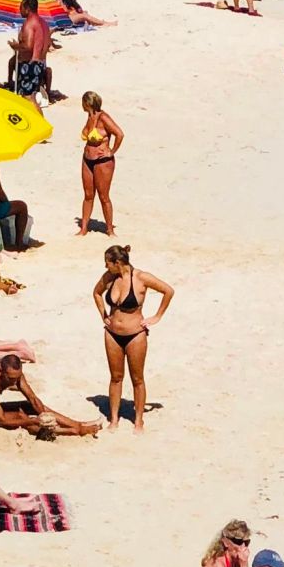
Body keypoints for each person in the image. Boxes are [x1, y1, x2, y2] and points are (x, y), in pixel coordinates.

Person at [94, 244, 174, 431]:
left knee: (137, 378)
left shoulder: (141, 278)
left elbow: (168, 291)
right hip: (112, 334)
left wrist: (157, 317)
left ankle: (139, 420)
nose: (106, 268)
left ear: (118, 262)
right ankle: (114, 419)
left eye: (108, 264)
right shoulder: (109, 278)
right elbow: (96, 293)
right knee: (115, 377)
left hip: (135, 335)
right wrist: (103, 315)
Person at [0, 356, 101, 439]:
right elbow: (2, 420)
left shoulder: (16, 375)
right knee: (20, 417)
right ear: (1, 372)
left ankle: (78, 425)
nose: (14, 381)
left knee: (32, 406)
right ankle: (71, 431)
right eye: (10, 378)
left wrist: (43, 414)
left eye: (16, 377)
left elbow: (33, 398)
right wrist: (33, 420)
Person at [78, 91, 124, 237]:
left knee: (104, 196)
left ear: (88, 103)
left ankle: (110, 230)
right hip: (87, 159)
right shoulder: (90, 116)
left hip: (102, 161)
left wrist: (112, 151)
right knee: (88, 195)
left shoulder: (103, 117)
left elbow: (120, 134)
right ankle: (83, 228)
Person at [9, 0, 56, 106]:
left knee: (28, 98)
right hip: (39, 63)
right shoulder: (44, 23)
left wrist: (15, 46)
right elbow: (47, 44)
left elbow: (28, 46)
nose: (20, 10)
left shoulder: (29, 23)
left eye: (21, 6)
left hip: (29, 65)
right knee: (31, 98)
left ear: (27, 8)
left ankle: (40, 121)